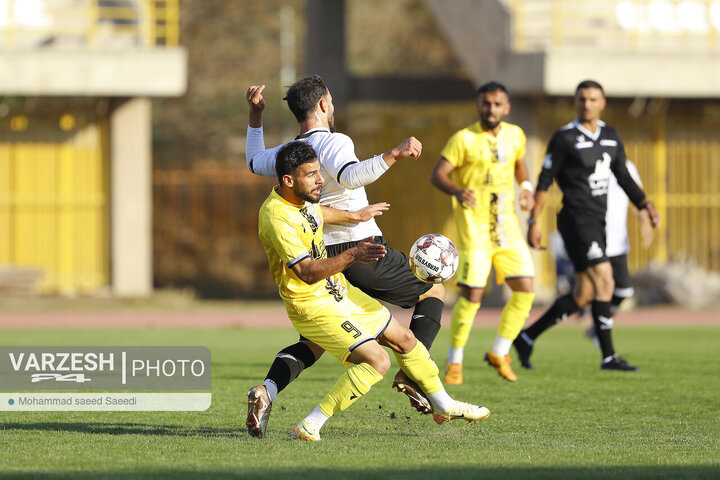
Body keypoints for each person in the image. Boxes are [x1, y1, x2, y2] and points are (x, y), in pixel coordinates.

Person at [244, 75, 445, 438]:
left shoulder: (290, 154)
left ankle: (267, 390)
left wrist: (255, 117)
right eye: (332, 101)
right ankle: (414, 373)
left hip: (326, 259)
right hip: (357, 250)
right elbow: (351, 176)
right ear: (323, 104)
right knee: (434, 289)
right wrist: (394, 154)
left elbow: (254, 160)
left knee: (316, 342)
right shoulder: (334, 141)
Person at [257, 141, 490, 441]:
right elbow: (305, 272)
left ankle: (445, 404)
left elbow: (317, 214)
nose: (320, 180)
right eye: (312, 174)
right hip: (311, 303)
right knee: (377, 360)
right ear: (288, 180)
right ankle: (311, 423)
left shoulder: (300, 201)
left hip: (337, 291)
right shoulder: (276, 217)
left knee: (405, 339)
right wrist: (354, 253)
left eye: (318, 172)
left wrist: (356, 216)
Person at [514, 80, 661, 371]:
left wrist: (645, 204)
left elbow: (623, 175)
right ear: (576, 102)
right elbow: (544, 182)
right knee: (606, 279)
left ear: (602, 103)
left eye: (593, 99)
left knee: (584, 294)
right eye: (582, 99)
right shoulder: (565, 137)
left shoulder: (610, 135)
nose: (587, 104)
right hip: (576, 221)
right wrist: (532, 221)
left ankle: (526, 337)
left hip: (598, 221)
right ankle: (608, 356)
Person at [430, 81, 536, 384]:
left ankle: (499, 351)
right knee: (473, 295)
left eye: (497, 104)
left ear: (507, 107)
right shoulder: (463, 139)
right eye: (486, 104)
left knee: (525, 291)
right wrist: (457, 190)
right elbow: (437, 174)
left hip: (507, 228)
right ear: (479, 105)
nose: (491, 109)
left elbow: (519, 164)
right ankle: (454, 361)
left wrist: (526, 189)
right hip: (475, 229)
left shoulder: (516, 135)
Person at [585, 159, 653, 345]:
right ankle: (603, 340)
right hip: (593, 236)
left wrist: (645, 223)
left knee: (623, 290)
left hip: (617, 240)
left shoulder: (627, 166)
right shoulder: (589, 160)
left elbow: (636, 196)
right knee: (599, 288)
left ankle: (598, 326)